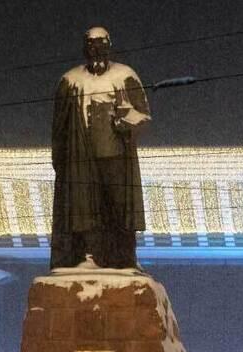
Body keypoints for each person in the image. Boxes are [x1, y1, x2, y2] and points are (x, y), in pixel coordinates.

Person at [50, 26, 150, 269]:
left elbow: (143, 114)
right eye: (92, 45)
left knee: (118, 207)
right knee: (83, 207)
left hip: (115, 155)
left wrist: (125, 121)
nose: (96, 50)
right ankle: (87, 255)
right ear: (85, 49)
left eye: (101, 45)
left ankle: (124, 258)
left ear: (109, 46)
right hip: (81, 158)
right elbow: (59, 127)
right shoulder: (71, 80)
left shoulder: (125, 75)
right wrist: (61, 161)